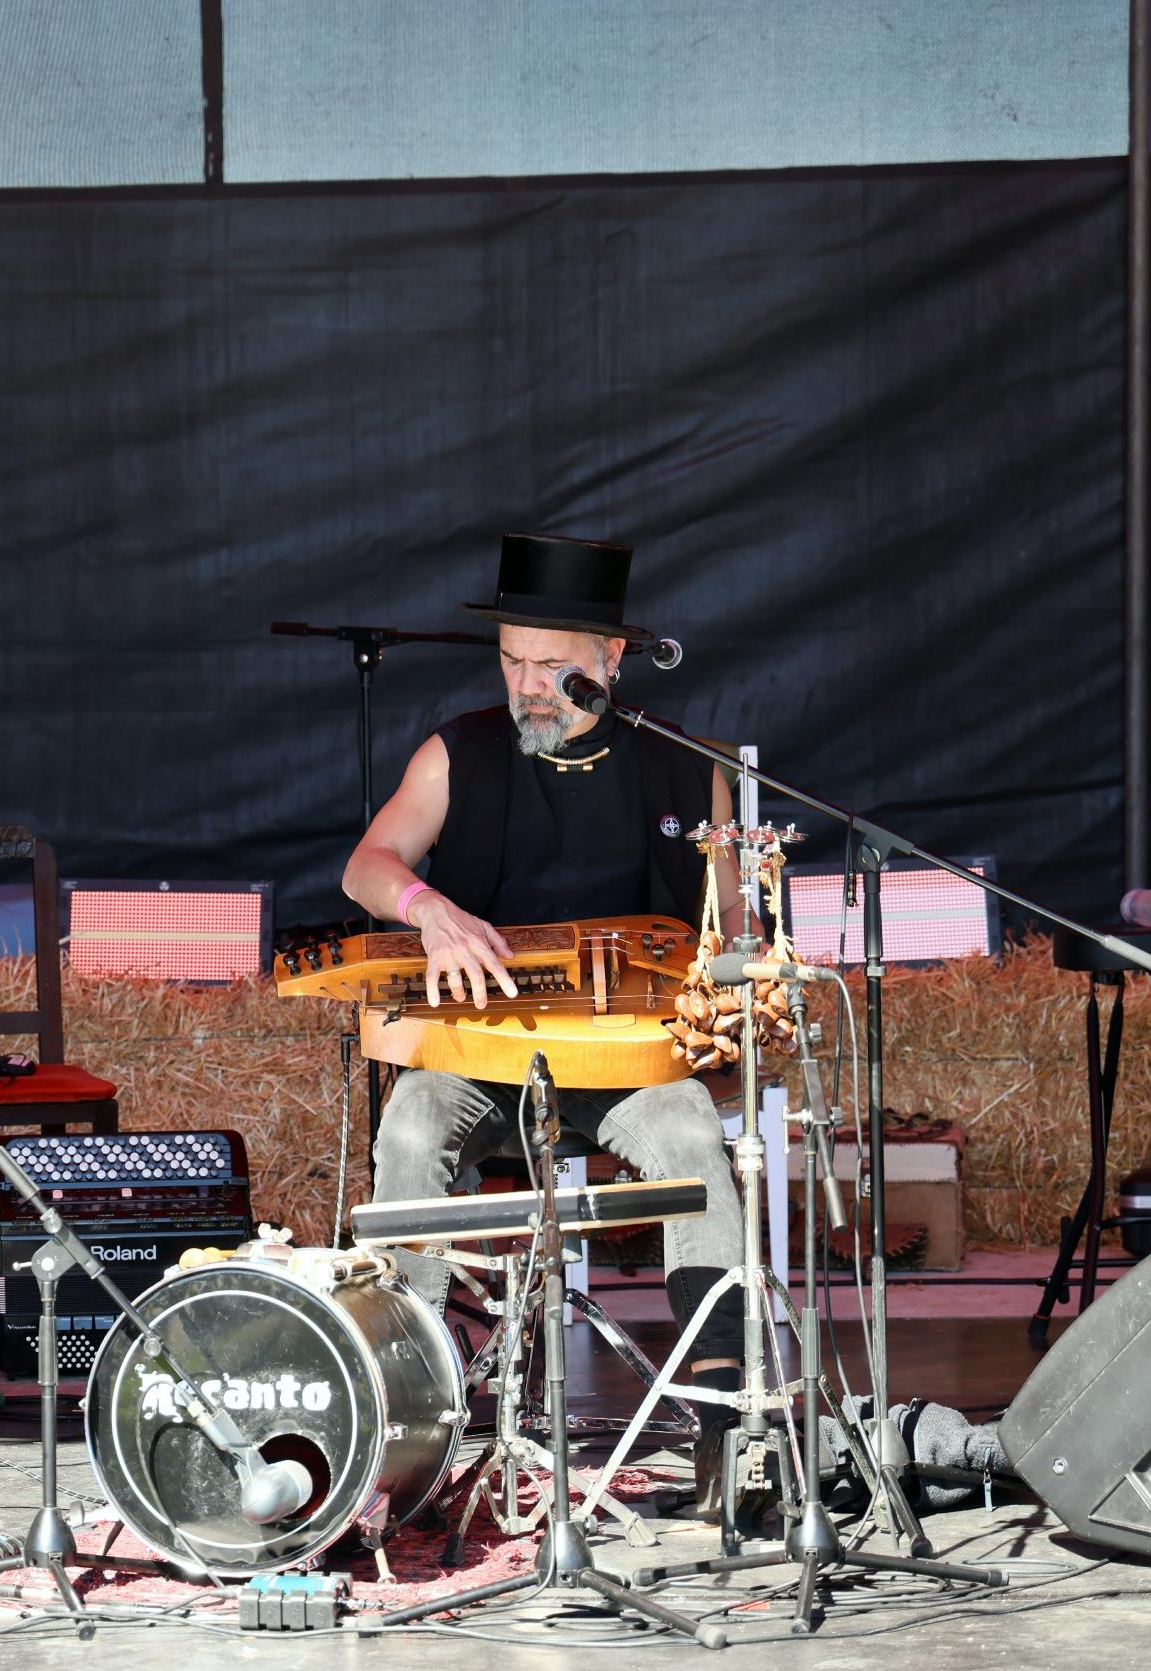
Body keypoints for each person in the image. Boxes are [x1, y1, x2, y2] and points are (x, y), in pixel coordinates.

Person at [341, 533, 751, 1503]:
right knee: (411, 1126)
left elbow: (731, 922)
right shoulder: (459, 754)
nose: (526, 686)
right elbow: (367, 865)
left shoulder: (683, 769)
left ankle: (724, 1424)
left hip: (627, 1063)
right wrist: (427, 910)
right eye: (511, 661)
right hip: (478, 1054)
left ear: (610, 660)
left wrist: (734, 987)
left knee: (693, 1135)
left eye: (551, 666)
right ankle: (399, 1420)